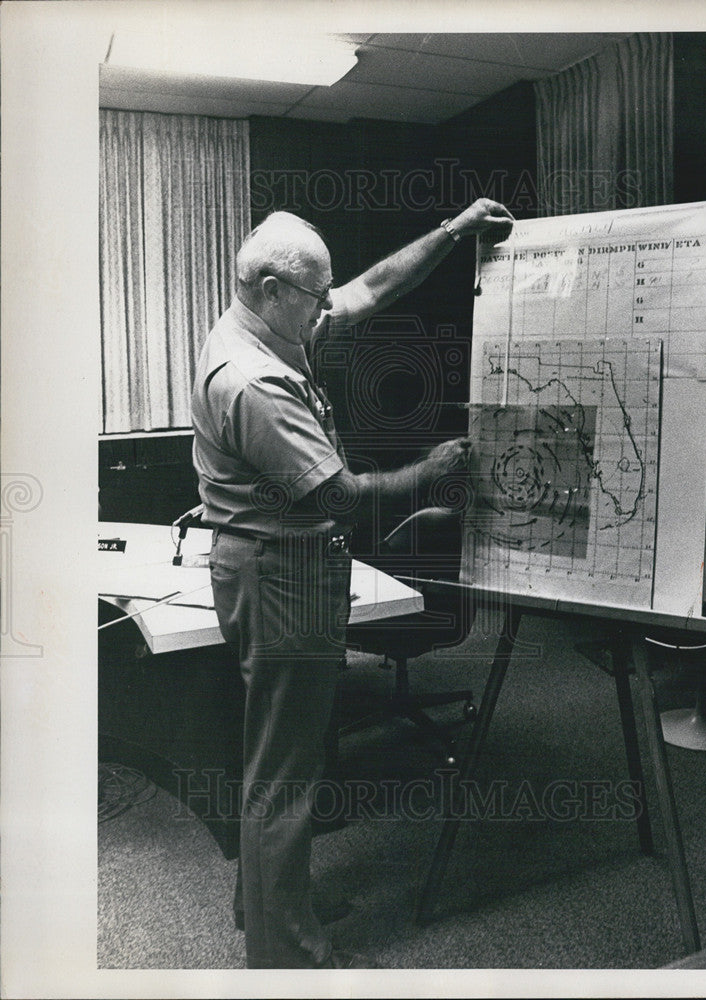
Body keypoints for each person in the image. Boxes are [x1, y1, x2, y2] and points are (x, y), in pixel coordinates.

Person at [191, 198, 514, 969]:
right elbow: (336, 495)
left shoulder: (264, 323)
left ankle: (268, 903)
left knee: (273, 755)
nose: (327, 304)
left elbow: (369, 290)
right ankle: (285, 957)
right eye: (314, 293)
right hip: (281, 575)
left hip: (270, 566)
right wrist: (427, 473)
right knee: (286, 771)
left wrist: (451, 232)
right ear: (273, 288)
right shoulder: (255, 378)